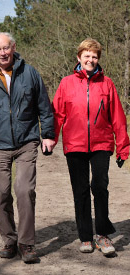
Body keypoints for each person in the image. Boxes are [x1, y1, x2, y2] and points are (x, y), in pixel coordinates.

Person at [0, 32, 55, 263]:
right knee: (1, 195)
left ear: (13, 47)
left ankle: (26, 243)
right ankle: (9, 240)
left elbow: (44, 106)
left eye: (6, 47)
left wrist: (48, 135)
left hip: (27, 141)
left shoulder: (30, 73)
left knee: (25, 191)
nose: (3, 52)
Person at [52, 38, 130, 256]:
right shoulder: (66, 83)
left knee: (100, 187)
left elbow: (118, 118)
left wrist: (123, 147)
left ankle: (103, 235)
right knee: (80, 191)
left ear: (98, 59)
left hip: (101, 144)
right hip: (74, 144)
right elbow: (57, 114)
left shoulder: (107, 84)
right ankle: (85, 237)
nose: (90, 59)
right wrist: (50, 138)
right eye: (86, 55)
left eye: (94, 56)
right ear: (79, 57)